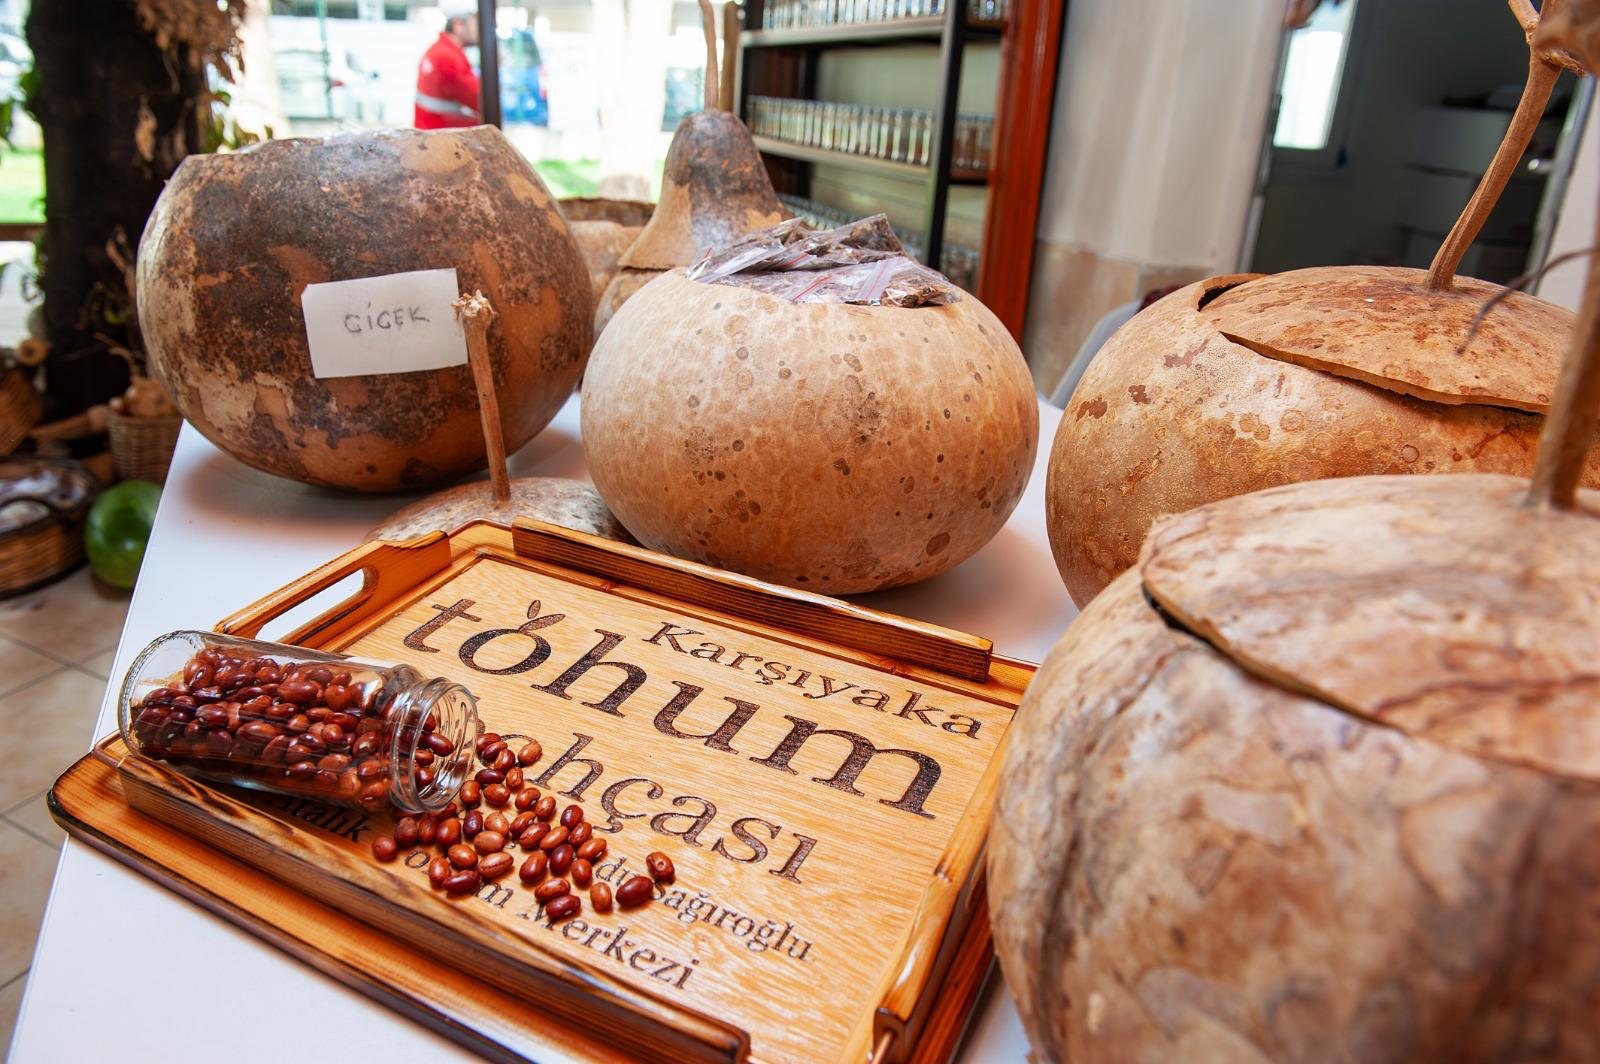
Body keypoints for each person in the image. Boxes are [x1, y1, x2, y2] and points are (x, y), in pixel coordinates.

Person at [415, 4, 481, 129]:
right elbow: (480, 100)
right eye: (476, 23)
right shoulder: (448, 58)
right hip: (439, 138)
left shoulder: (440, 49)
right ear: (458, 25)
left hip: (431, 134)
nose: (480, 30)